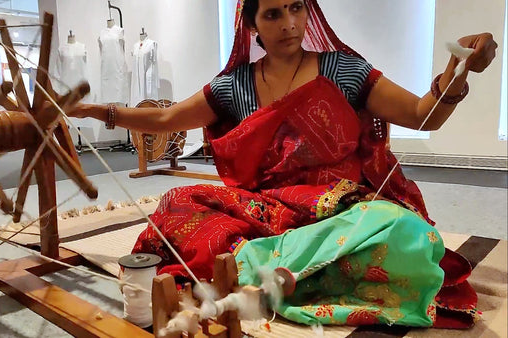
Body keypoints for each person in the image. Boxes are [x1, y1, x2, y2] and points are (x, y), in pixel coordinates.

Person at [68, 0, 497, 329]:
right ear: (252, 24)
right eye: (273, 14)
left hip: (339, 209)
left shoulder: (343, 71)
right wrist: (100, 112)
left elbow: (424, 113)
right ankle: (295, 270)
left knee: (407, 232)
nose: (290, 23)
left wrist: (458, 69)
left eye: (296, 8)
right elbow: (165, 118)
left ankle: (265, 269)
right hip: (265, 209)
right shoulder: (234, 86)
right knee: (177, 203)